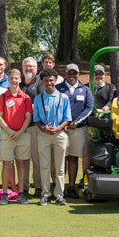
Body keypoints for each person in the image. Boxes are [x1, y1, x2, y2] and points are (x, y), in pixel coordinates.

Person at [33, 68, 71, 206]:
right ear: (42, 82)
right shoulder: (39, 98)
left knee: (60, 167)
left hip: (60, 135)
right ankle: (45, 194)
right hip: (43, 135)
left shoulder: (63, 97)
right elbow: (36, 119)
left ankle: (59, 195)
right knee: (45, 166)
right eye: (46, 81)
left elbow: (67, 118)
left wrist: (58, 128)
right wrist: (44, 128)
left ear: (55, 81)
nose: (49, 83)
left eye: (51, 80)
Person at [0, 68, 33, 205]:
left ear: (20, 80)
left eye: (17, 78)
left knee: (21, 163)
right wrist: (10, 132)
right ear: (8, 80)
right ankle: (5, 193)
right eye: (12, 78)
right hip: (7, 134)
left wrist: (20, 132)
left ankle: (21, 193)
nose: (14, 81)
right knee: (6, 163)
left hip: (22, 135)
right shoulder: (3, 97)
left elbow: (28, 117)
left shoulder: (25, 97)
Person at [57, 64, 93, 199]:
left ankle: (71, 187)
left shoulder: (85, 89)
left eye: (75, 73)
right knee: (61, 159)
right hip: (62, 130)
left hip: (78, 129)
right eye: (69, 73)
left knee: (73, 158)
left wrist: (76, 121)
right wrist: (63, 123)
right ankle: (60, 188)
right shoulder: (58, 88)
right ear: (65, 74)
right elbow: (56, 106)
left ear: (78, 74)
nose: (72, 76)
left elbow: (89, 108)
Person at [20, 56, 43, 196]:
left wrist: (23, 109)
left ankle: (39, 187)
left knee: (36, 158)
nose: (28, 68)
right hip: (21, 128)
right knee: (23, 158)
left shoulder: (40, 82)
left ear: (36, 68)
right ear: (22, 69)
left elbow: (40, 103)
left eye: (31, 66)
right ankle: (24, 187)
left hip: (35, 126)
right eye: (26, 66)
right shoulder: (19, 83)